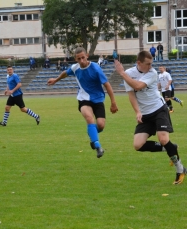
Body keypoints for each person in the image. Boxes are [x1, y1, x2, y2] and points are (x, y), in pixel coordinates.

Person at [114, 50, 186, 184]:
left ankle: (180, 169)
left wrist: (122, 73)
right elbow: (131, 95)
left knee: (163, 139)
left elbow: (138, 86)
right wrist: (137, 112)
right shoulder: (129, 74)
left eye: (151, 63)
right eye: (147, 64)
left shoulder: (152, 73)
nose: (150, 66)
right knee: (138, 145)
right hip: (145, 113)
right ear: (139, 63)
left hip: (159, 109)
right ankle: (171, 147)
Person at [47, 47, 118, 158]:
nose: (81, 61)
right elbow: (65, 73)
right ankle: (98, 146)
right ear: (76, 59)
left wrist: (113, 102)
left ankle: (92, 135)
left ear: (87, 56)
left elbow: (107, 85)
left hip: (98, 99)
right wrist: (55, 80)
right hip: (84, 99)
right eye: (78, 59)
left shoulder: (95, 68)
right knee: (89, 118)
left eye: (83, 58)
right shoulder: (75, 68)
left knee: (100, 125)